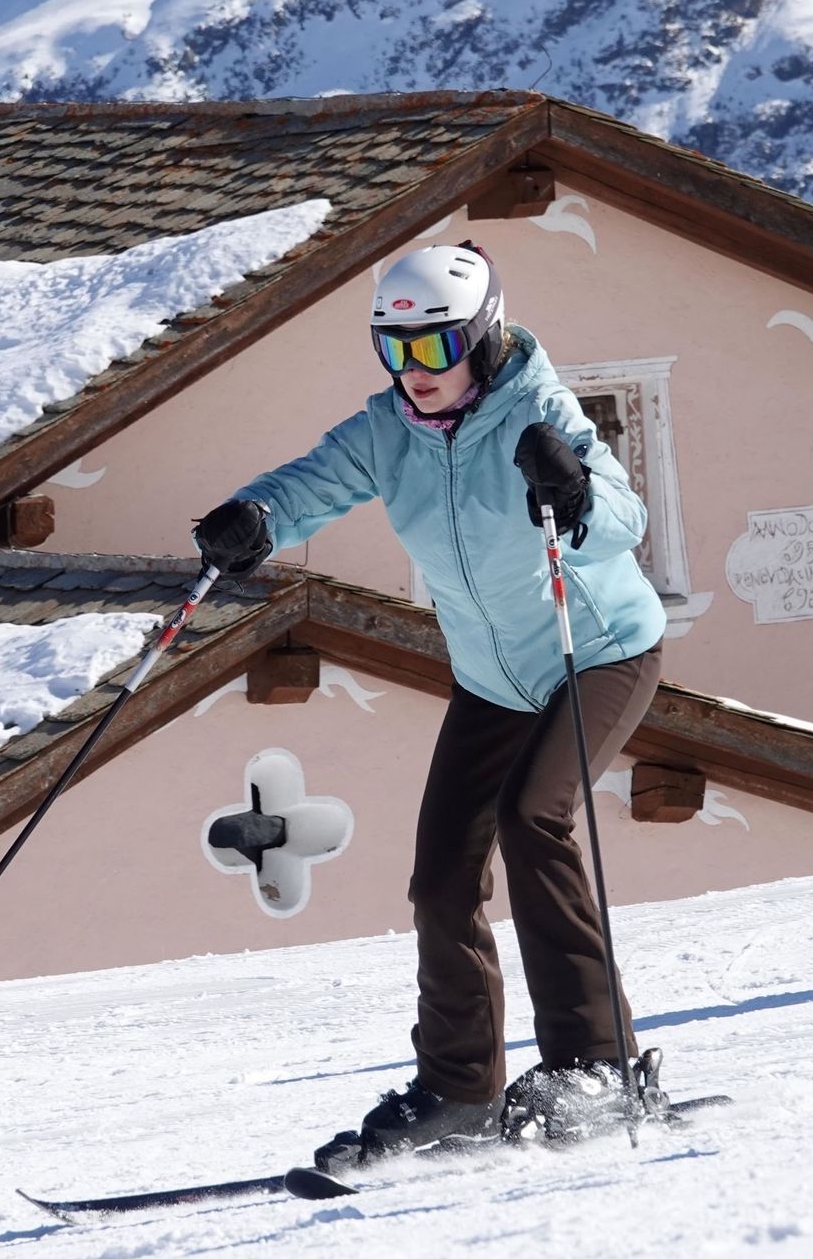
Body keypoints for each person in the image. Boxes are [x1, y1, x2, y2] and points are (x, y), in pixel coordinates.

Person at [193, 241, 668, 1162]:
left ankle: (597, 1067)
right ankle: (458, 1088)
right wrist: (252, 520)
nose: (413, 373)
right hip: (494, 680)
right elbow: (311, 485)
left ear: (483, 342)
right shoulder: (388, 432)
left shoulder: (537, 411)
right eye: (393, 350)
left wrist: (573, 495)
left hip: (598, 653)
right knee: (442, 879)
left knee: (537, 820)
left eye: (433, 350)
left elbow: (623, 516)